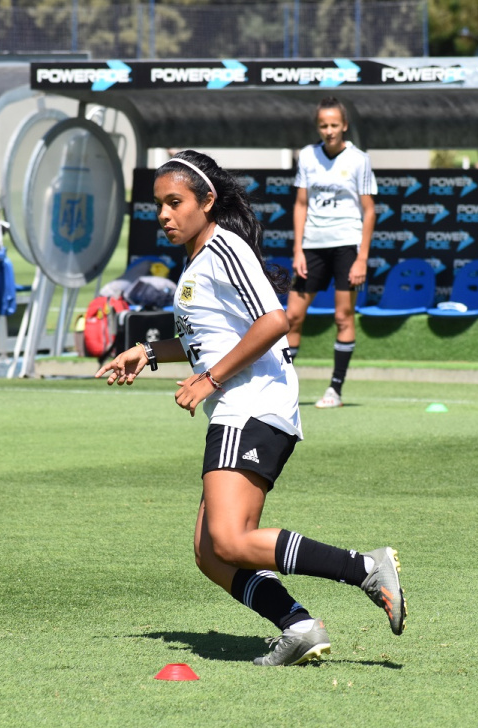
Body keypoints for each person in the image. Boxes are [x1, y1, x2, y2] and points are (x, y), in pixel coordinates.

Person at [95, 150, 406, 667]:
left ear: (207, 201)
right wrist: (148, 352)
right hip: (241, 403)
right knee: (211, 554)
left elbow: (273, 321)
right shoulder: (199, 259)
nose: (165, 215)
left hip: (252, 401)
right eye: (159, 206)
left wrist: (209, 379)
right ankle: (299, 626)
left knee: (229, 540)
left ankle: (366, 567)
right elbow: (207, 340)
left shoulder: (225, 247)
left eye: (175, 203)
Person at [287, 96, 378, 408]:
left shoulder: (359, 160)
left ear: (345, 126)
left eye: (334, 125)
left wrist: (362, 257)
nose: (329, 131)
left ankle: (335, 390)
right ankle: (283, 390)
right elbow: (300, 204)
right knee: (292, 317)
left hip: (346, 247)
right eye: (323, 125)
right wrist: (297, 250)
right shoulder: (308, 156)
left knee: (342, 316)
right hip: (312, 246)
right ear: (318, 126)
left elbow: (369, 211)